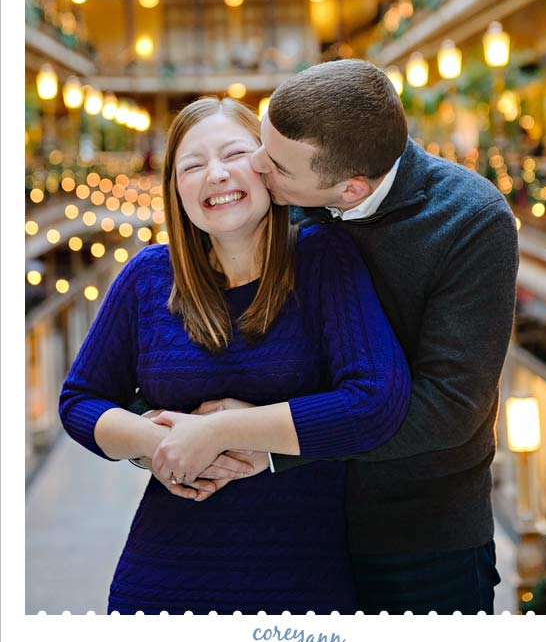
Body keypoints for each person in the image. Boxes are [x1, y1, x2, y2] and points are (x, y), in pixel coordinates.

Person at [187, 59, 519, 615]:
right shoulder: (284, 201)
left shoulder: (472, 220)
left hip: (419, 540)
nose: (257, 167)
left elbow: (449, 409)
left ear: (349, 188)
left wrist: (268, 444)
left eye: (278, 165)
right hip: (295, 526)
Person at [58, 96, 410, 615]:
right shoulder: (146, 277)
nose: (215, 175)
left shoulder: (324, 259)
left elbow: (376, 402)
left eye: (234, 154)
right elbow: (79, 402)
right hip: (162, 578)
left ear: (267, 167)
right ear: (176, 189)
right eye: (193, 165)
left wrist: (220, 431)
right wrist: (163, 446)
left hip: (296, 577)